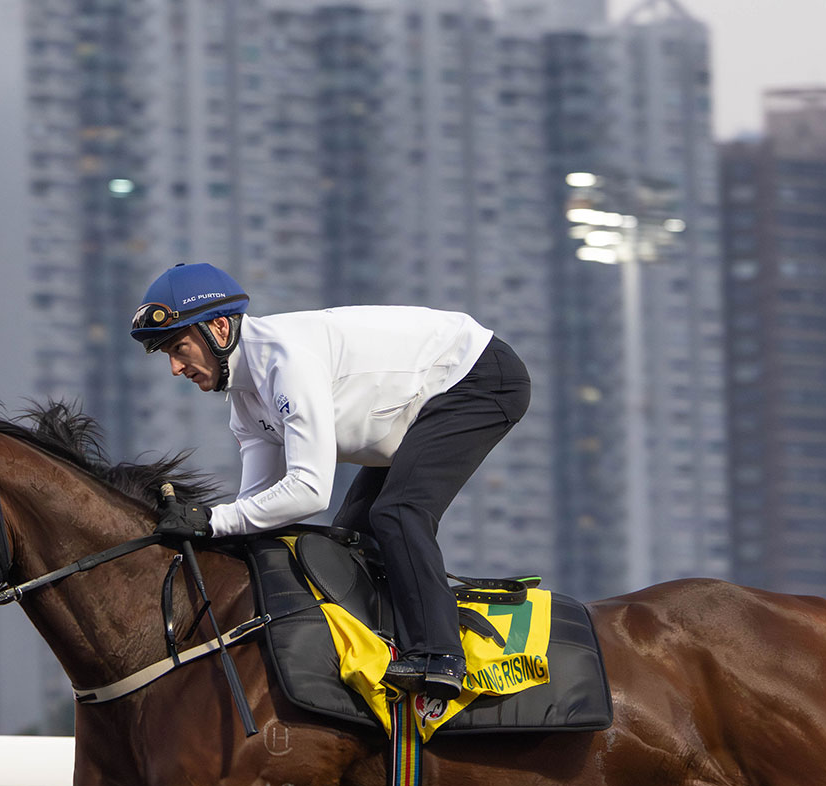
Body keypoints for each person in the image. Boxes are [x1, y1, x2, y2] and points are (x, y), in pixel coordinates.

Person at [133, 263, 530, 702]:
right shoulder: (245, 403)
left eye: (179, 347)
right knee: (351, 535)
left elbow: (309, 491)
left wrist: (210, 520)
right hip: (417, 403)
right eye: (166, 353)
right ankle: (387, 645)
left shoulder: (286, 362)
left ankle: (440, 655)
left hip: (477, 376)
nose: (175, 368)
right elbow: (256, 507)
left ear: (220, 328)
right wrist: (204, 532)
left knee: (397, 513)